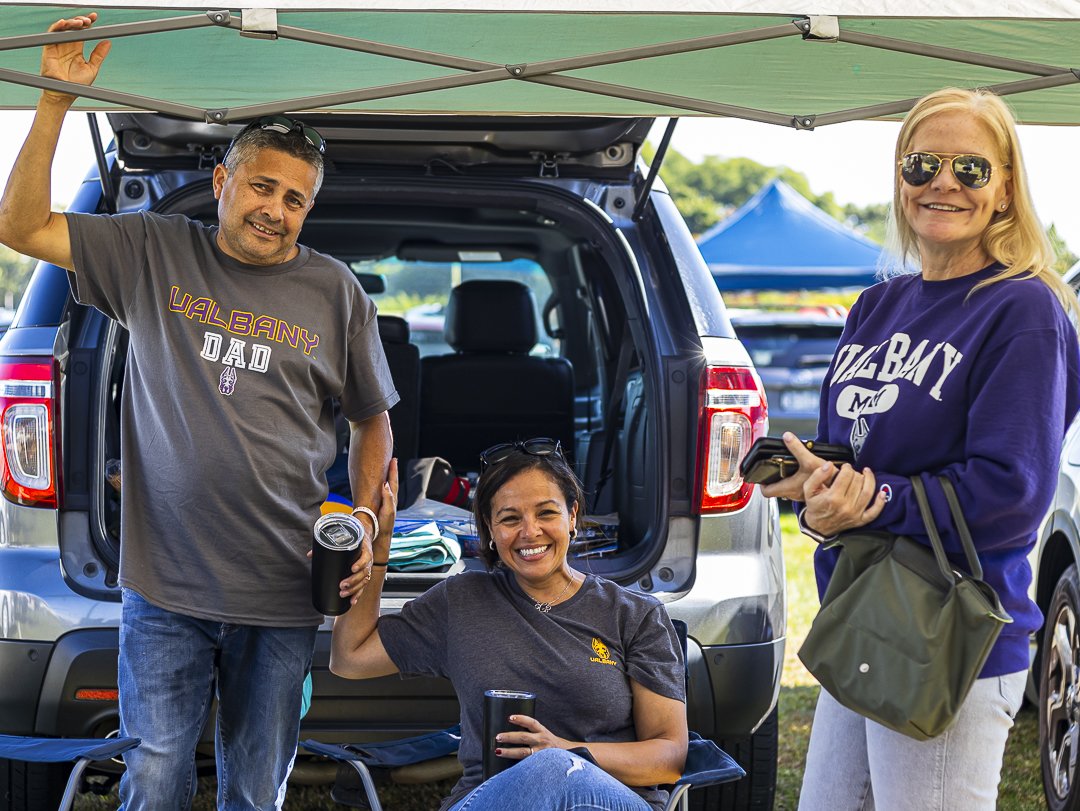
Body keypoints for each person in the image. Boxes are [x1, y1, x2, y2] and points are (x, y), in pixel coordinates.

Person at [0, 13, 397, 811]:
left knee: (258, 786)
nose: (275, 209)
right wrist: (52, 103)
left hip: (286, 589)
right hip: (165, 585)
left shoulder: (334, 291)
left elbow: (372, 417)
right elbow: (21, 226)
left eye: (296, 199)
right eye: (262, 186)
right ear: (222, 180)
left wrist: (362, 517)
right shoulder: (152, 251)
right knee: (154, 773)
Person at [762, 86, 1080, 810]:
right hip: (864, 614)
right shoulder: (877, 306)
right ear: (900, 179)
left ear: (1004, 190)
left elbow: (1012, 492)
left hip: (951, 638)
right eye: (922, 163)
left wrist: (873, 500)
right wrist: (817, 494)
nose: (942, 182)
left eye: (969, 169)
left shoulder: (1022, 308)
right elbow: (849, 460)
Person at [331, 443, 688, 811]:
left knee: (552, 766)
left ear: (573, 516)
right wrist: (379, 544)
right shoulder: (462, 602)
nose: (529, 532)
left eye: (546, 513)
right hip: (490, 797)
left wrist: (566, 752)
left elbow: (669, 758)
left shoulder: (633, 615)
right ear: (489, 527)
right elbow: (350, 657)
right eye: (510, 518)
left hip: (610, 800)